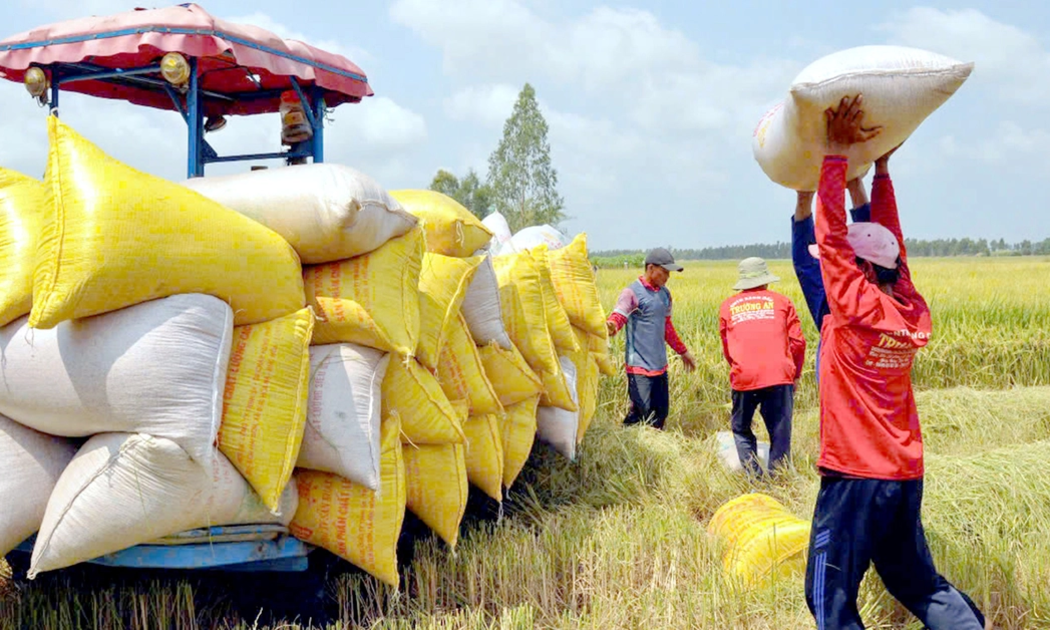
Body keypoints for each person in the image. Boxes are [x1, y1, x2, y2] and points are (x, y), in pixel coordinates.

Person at [804, 94, 985, 629]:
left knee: (829, 596)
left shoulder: (854, 308)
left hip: (855, 477)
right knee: (915, 582)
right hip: (904, 474)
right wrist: (879, 173)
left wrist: (836, 156)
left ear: (858, 269)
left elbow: (833, 241)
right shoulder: (908, 309)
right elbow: (892, 247)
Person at [718, 257, 805, 476]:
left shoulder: (728, 306)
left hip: (744, 377)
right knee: (780, 432)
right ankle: (779, 478)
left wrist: (740, 366)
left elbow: (727, 348)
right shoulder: (783, 302)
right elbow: (798, 343)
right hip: (779, 375)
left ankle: (754, 477)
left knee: (741, 429)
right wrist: (794, 373)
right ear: (766, 281)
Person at [606, 248, 697, 429]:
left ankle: (657, 449)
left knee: (661, 412)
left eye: (668, 273)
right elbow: (619, 316)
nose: (667, 277)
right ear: (650, 268)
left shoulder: (665, 294)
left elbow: (667, 327)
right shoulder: (631, 293)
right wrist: (611, 326)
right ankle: (626, 442)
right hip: (638, 366)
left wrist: (683, 352)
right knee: (641, 412)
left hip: (659, 365)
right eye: (664, 272)